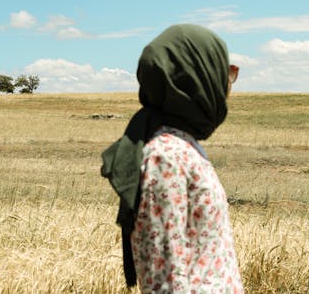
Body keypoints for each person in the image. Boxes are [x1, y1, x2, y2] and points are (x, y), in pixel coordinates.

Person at [101, 24, 244, 293]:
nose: (229, 83)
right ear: (196, 78)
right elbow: (164, 281)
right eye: (224, 71)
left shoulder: (184, 146)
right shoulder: (166, 157)